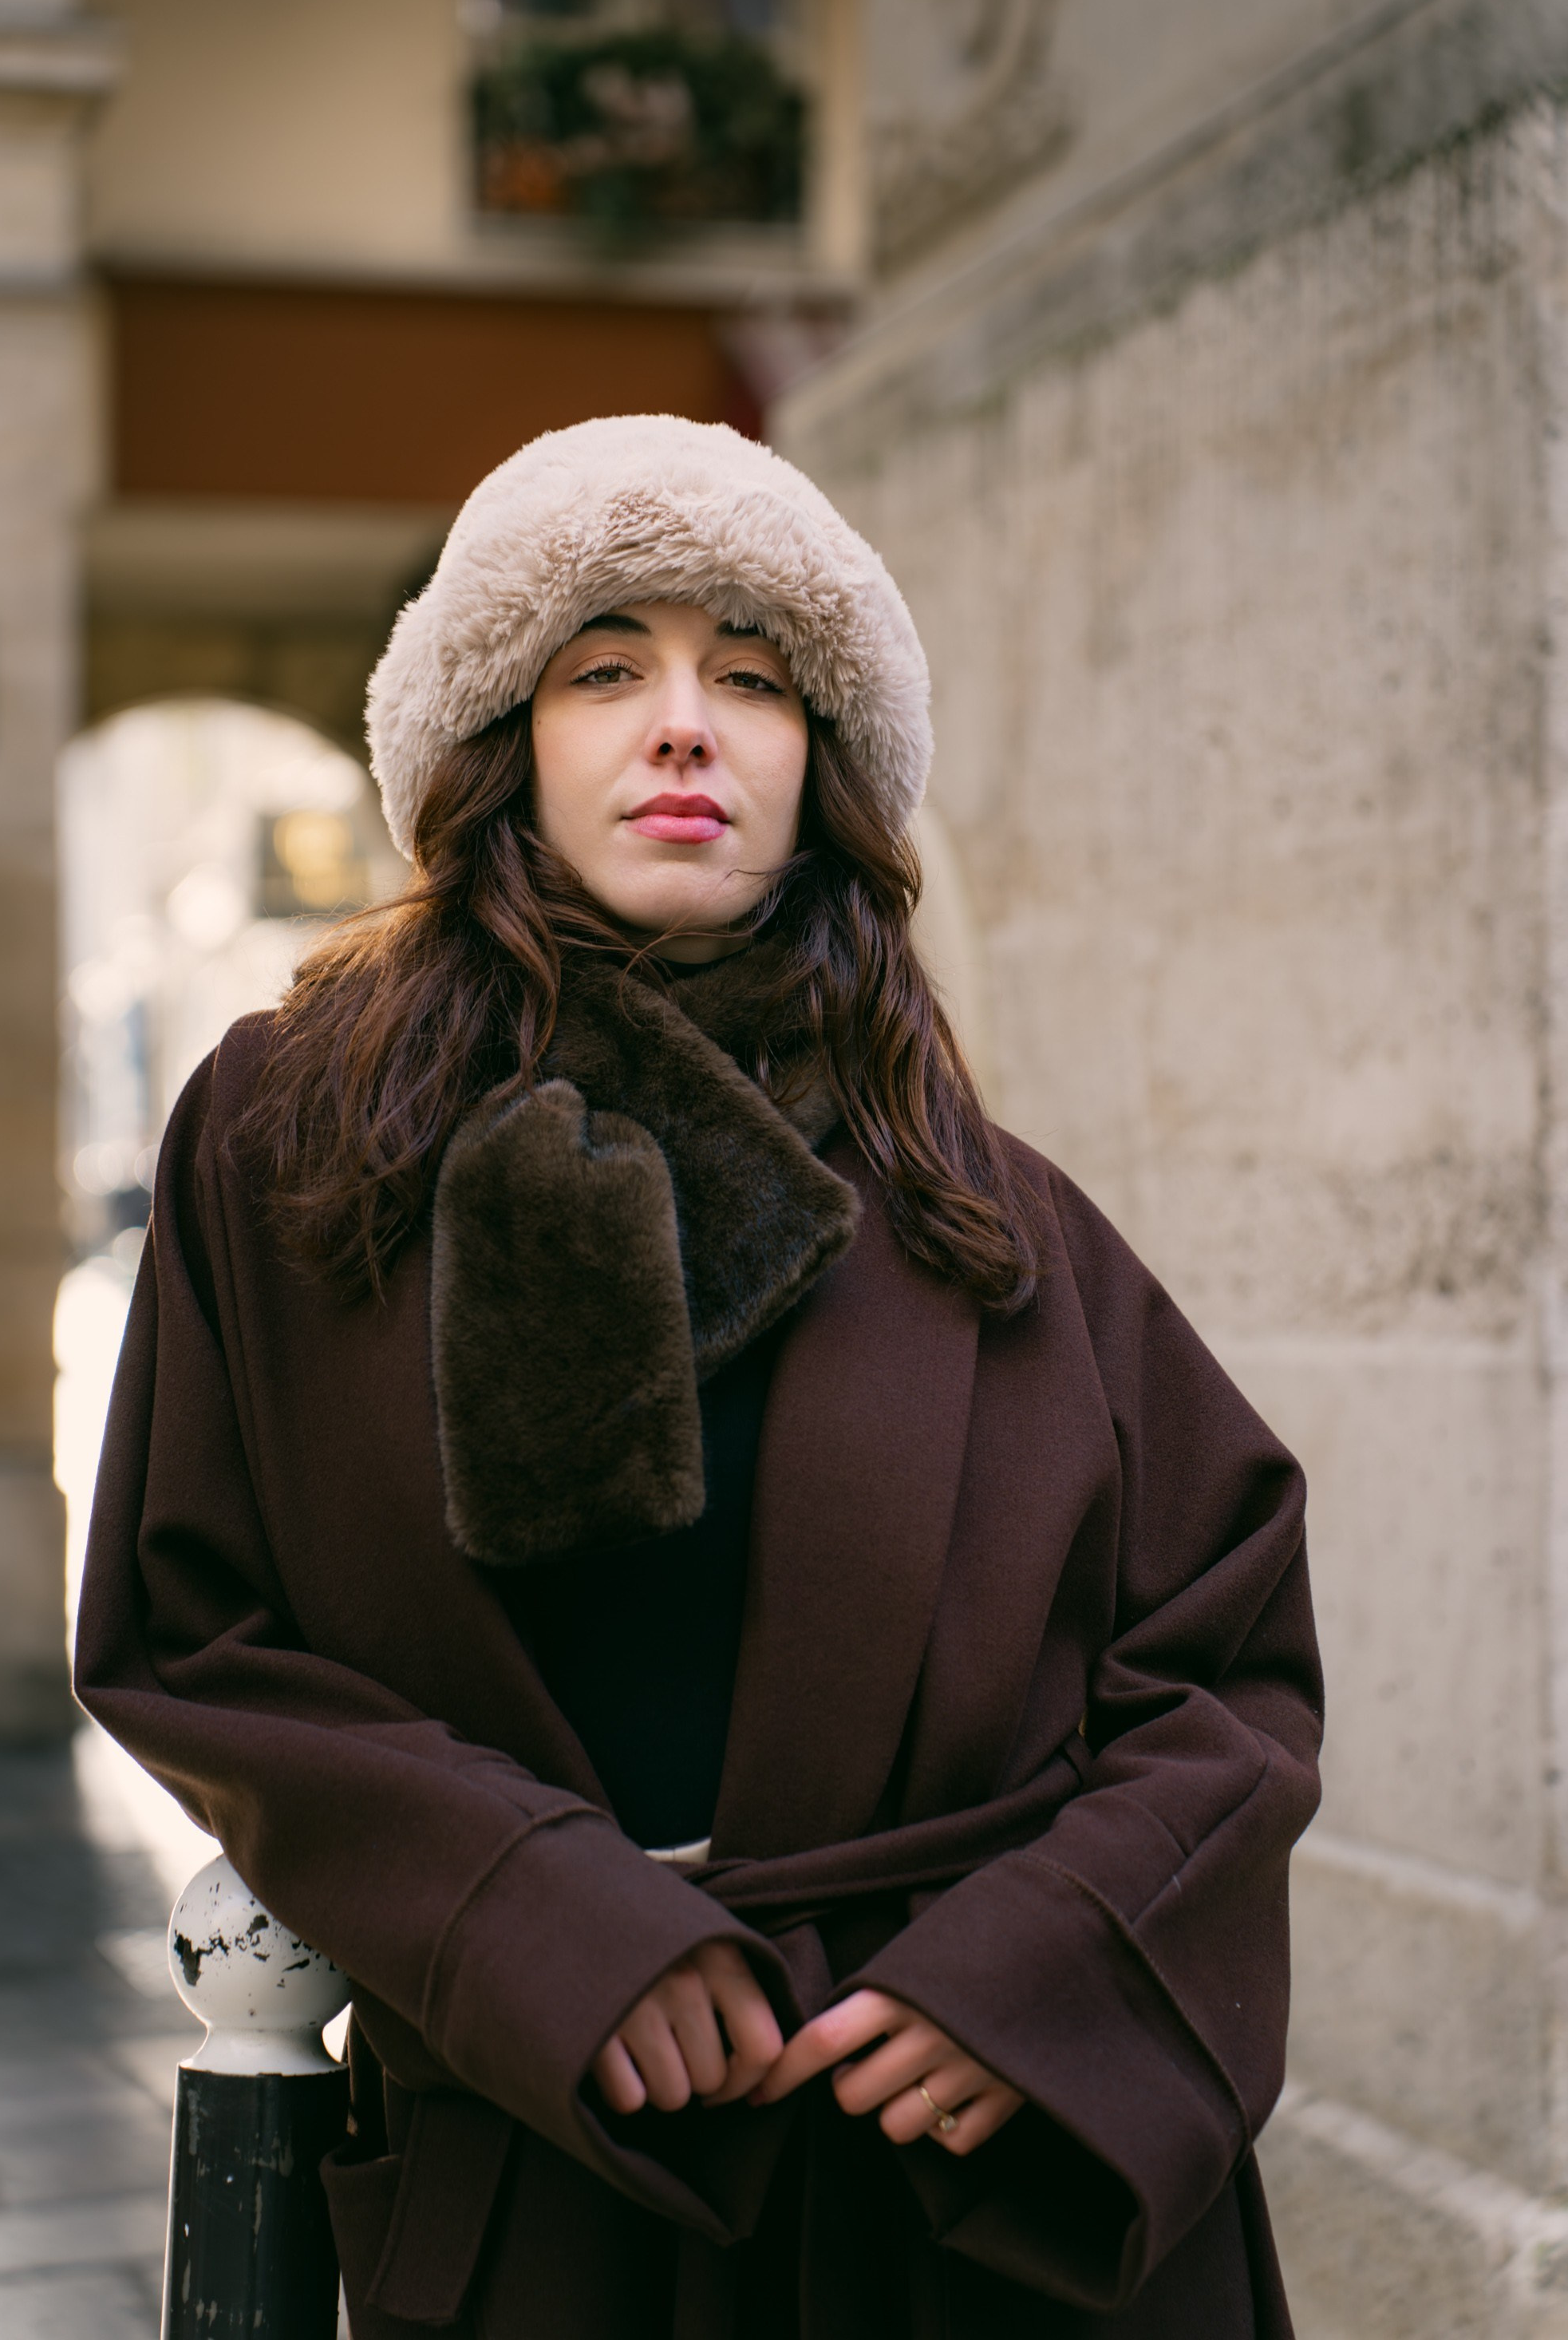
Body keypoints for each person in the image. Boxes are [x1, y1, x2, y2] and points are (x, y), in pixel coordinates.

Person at [75, 414, 1322, 2338]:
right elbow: (192, 1628)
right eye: (605, 671)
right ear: (504, 742)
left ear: (819, 766)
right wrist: (537, 1921)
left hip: (953, 2195)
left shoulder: (983, 1205)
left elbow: (1223, 1662)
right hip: (549, 2170)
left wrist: (1033, 1977)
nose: (683, 727)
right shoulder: (292, 1141)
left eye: (750, 678)